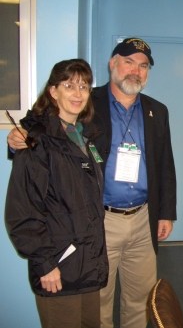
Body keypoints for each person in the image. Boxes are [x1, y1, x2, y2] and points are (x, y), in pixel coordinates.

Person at [7, 38, 177, 328]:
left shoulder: (156, 110)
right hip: (100, 220)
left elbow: (165, 163)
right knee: (98, 302)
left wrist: (166, 212)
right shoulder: (87, 101)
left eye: (143, 65)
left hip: (142, 219)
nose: (135, 70)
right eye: (128, 62)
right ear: (113, 64)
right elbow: (45, 123)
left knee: (140, 299)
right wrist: (18, 138)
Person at [5, 59, 108, 328]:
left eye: (84, 86)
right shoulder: (37, 140)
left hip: (89, 264)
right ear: (53, 91)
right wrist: (44, 264)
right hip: (58, 267)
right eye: (69, 85)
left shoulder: (86, 136)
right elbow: (23, 211)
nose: (77, 93)